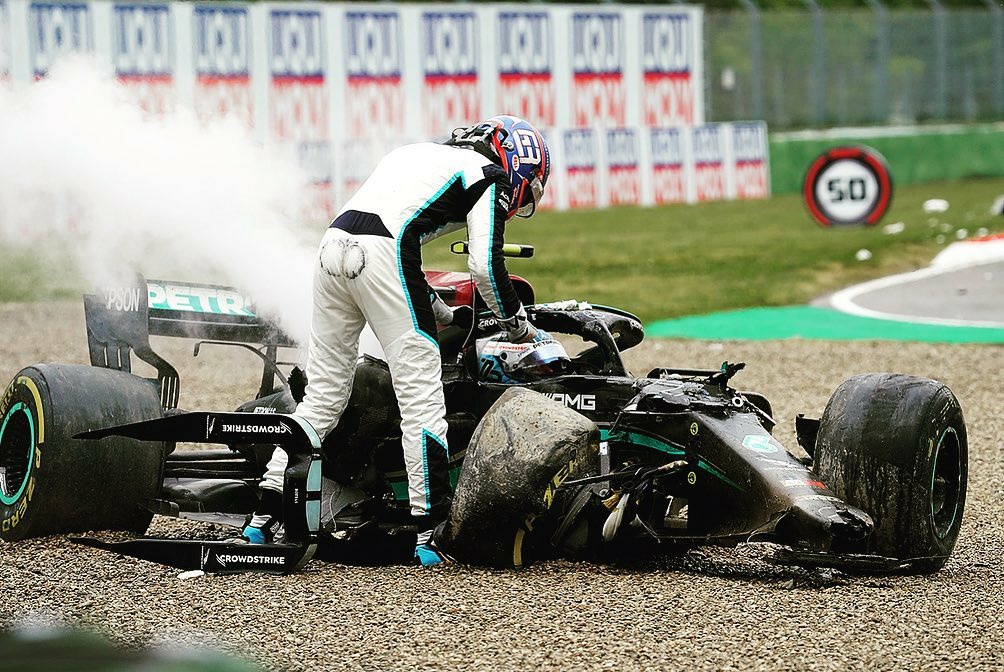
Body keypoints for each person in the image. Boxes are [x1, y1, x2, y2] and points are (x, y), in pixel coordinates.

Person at [240, 115, 552, 566]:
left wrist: (445, 314)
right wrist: (520, 326)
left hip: (332, 247)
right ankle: (431, 532)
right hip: (384, 253)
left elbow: (388, 236)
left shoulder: (413, 154)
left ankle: (264, 512)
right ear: (519, 162)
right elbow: (484, 266)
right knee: (422, 400)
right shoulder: (489, 175)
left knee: (324, 396)